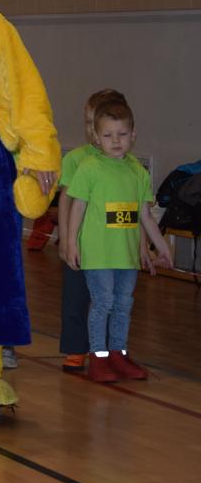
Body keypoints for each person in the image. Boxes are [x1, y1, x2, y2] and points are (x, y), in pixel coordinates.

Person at [65, 100, 172, 383]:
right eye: (108, 135)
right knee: (103, 303)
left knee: (124, 304)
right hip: (99, 254)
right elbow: (77, 207)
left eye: (122, 134)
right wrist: (72, 243)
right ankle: (98, 357)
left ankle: (118, 353)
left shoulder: (138, 172)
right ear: (96, 137)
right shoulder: (89, 168)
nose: (116, 141)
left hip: (126, 255)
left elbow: (145, 216)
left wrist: (161, 246)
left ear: (133, 135)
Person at [56, 89, 127, 372]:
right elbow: (66, 199)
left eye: (93, 122)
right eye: (87, 122)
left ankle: (108, 349)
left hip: (111, 248)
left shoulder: (126, 164)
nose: (89, 129)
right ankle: (76, 348)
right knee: (75, 298)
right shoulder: (77, 159)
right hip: (81, 245)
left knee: (110, 300)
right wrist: (66, 239)